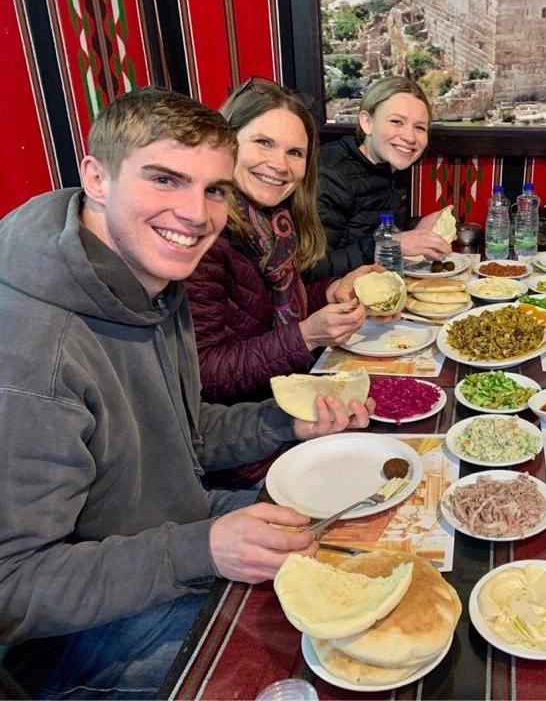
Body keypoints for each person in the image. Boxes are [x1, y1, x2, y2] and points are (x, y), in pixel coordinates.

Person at [0, 88, 370, 698]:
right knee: (331, 660)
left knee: (362, 539)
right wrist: (201, 550)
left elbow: (183, 432)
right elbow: (12, 588)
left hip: (174, 529)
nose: (196, 214)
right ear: (96, 177)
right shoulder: (34, 351)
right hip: (73, 639)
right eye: (165, 179)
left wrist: (286, 422)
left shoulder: (152, 280)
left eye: (214, 189)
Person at [185, 77, 376, 405]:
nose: (279, 165)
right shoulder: (201, 235)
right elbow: (203, 374)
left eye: (295, 153)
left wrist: (331, 291)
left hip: (283, 393)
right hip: (239, 417)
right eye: (263, 142)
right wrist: (307, 336)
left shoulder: (277, 221)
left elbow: (274, 311)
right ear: (226, 142)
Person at [311, 76, 452, 280]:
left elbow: (374, 226)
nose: (410, 137)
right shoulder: (330, 175)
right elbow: (313, 268)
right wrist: (391, 244)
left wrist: (418, 226)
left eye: (420, 127)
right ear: (367, 123)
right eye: (396, 122)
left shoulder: (392, 163)